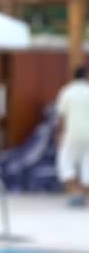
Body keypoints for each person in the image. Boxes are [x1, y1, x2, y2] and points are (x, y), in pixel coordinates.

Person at [56, 65, 89, 207]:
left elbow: (60, 116)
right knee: (87, 165)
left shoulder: (67, 92)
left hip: (72, 134)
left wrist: (59, 133)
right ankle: (82, 194)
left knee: (65, 162)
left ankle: (76, 193)